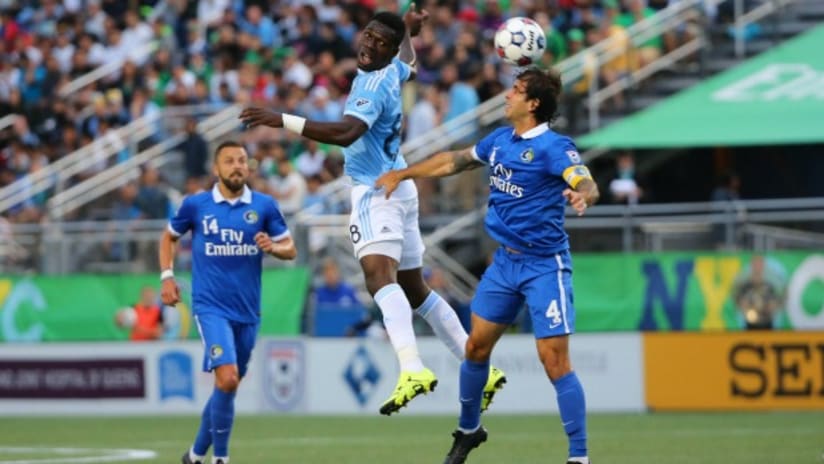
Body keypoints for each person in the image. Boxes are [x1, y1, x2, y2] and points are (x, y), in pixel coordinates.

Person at [239, 5, 506, 416]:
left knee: (377, 278)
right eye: (369, 36)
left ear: (386, 50)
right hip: (400, 184)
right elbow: (410, 65)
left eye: (382, 43)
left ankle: (412, 367)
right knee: (415, 289)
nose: (370, 45)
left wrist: (281, 120)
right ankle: (481, 369)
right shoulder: (390, 71)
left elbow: (347, 133)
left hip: (375, 190)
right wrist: (409, 33)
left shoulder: (370, 85)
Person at [376, 68, 600, 464]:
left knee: (554, 360)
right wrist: (403, 172)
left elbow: (584, 180)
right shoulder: (500, 140)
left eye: (515, 91)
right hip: (504, 263)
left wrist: (583, 195)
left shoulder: (554, 147)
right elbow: (454, 161)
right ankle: (468, 430)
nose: (506, 95)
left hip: (544, 265)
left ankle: (579, 457)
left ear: (533, 104)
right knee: (475, 348)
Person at [159, 140, 297, 464]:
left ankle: (193, 456)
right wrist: (167, 275)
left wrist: (273, 248)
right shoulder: (196, 205)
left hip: (248, 312)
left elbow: (290, 247)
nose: (237, 166)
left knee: (227, 386)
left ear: (248, 167)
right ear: (216, 169)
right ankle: (220, 459)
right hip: (210, 308)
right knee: (228, 378)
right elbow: (168, 236)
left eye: (242, 161)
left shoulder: (264, 206)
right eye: (229, 161)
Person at [733, 255, 785, 330]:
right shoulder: (745, 286)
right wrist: (747, 309)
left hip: (767, 322)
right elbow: (740, 302)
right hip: (750, 323)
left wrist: (769, 308)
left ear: (763, 266)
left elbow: (775, 302)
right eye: (756, 264)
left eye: (760, 265)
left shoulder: (769, 285)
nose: (758, 267)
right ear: (752, 266)